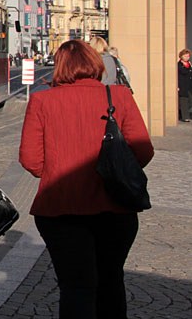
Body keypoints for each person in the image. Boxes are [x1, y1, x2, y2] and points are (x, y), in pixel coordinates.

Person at [19, 39, 154, 318]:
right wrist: (115, 170)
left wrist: (59, 169)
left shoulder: (42, 100)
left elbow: (31, 161)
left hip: (61, 208)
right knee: (111, 280)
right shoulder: (118, 96)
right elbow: (143, 149)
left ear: (59, 67)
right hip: (116, 206)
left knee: (75, 286)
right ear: (95, 63)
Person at [177, 48, 192, 122]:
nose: (187, 57)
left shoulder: (189, 64)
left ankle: (181, 113)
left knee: (190, 100)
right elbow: (183, 72)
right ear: (181, 56)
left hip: (188, 85)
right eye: (185, 56)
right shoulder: (179, 64)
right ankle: (185, 117)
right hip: (182, 85)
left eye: (188, 56)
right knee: (184, 101)